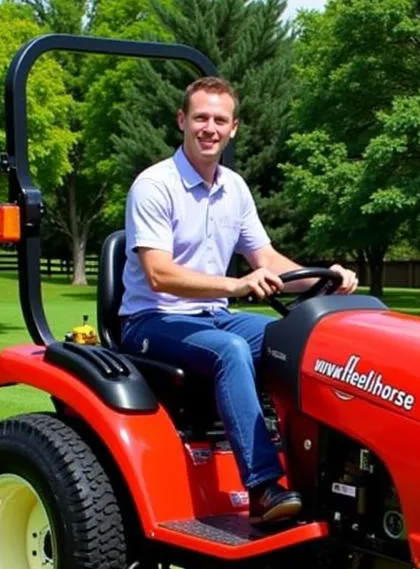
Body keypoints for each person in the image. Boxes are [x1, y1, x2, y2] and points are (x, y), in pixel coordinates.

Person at [118, 76, 358, 525]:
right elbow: (159, 273)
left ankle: (321, 471)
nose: (210, 128)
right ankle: (263, 487)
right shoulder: (154, 186)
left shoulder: (234, 188)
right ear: (182, 121)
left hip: (213, 315)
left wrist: (327, 278)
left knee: (297, 339)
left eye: (220, 120)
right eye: (201, 118)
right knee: (229, 351)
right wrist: (236, 286)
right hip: (152, 320)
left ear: (234, 128)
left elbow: (265, 257)